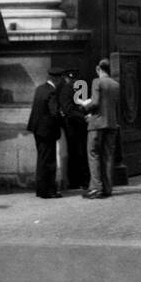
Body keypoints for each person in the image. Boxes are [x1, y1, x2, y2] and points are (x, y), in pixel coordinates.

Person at [77, 59, 121, 199]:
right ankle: (107, 189)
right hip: (111, 124)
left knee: (93, 155)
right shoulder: (116, 84)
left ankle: (96, 188)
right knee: (108, 156)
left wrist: (84, 107)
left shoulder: (97, 82)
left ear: (98, 69)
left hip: (97, 124)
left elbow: (95, 102)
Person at [27, 65, 63, 198]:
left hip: (37, 129)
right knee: (49, 161)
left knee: (42, 160)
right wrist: (62, 117)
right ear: (57, 79)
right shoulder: (52, 92)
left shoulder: (39, 89)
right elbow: (54, 113)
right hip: (48, 131)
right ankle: (49, 191)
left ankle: (41, 190)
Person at [56, 66, 89, 192]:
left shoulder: (70, 89)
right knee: (78, 153)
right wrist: (84, 116)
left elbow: (71, 109)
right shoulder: (73, 88)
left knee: (77, 152)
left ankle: (77, 181)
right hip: (74, 126)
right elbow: (70, 110)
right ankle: (80, 181)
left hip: (75, 125)